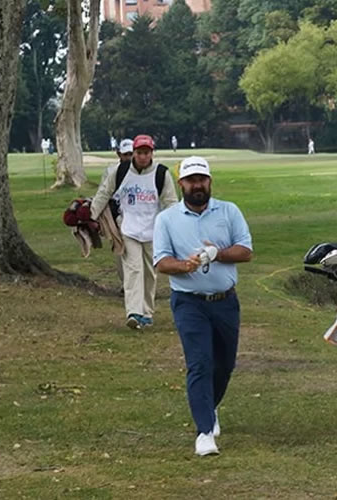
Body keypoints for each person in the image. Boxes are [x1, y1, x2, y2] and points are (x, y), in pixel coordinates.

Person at [153, 156, 253, 456]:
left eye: (202, 179)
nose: (197, 185)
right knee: (200, 363)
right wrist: (184, 266)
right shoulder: (167, 219)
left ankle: (209, 407)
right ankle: (205, 433)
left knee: (225, 365)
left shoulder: (229, 211)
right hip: (189, 302)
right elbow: (161, 262)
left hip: (225, 301)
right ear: (181, 183)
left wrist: (216, 254)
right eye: (191, 180)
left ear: (209, 181)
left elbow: (246, 251)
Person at [91, 134, 178, 330]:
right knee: (133, 270)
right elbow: (104, 193)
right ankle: (134, 312)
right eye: (139, 153)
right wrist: (92, 216)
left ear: (152, 153)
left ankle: (146, 313)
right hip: (128, 228)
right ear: (134, 153)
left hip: (153, 230)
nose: (143, 156)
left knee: (149, 273)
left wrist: (173, 227)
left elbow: (171, 202)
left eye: (147, 153)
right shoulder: (121, 171)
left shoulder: (161, 173)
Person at [99, 138, 134, 288]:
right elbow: (103, 194)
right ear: (119, 154)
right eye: (126, 154)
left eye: (132, 154)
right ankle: (126, 284)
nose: (129, 158)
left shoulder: (142, 171)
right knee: (121, 250)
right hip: (118, 216)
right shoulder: (111, 171)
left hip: (138, 218)